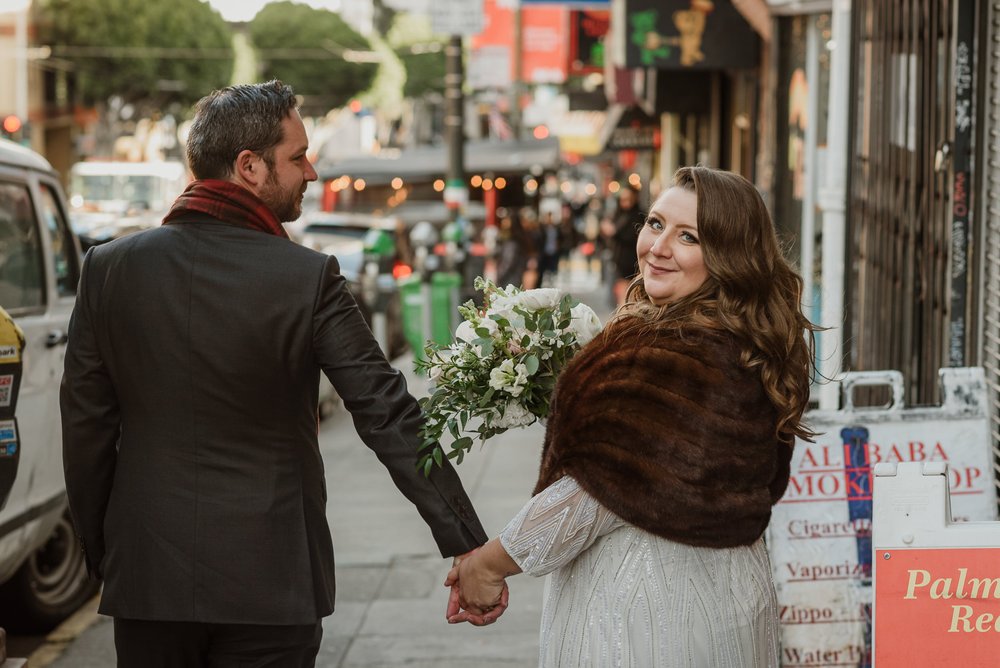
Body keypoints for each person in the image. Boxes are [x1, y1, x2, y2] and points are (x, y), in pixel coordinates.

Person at [60, 80, 503, 668]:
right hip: (271, 579)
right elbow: (386, 412)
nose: (312, 172)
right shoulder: (308, 276)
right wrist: (471, 545)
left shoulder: (109, 269)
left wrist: (106, 555)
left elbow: (85, 431)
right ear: (248, 166)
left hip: (149, 579)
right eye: (297, 157)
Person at [446, 166, 819, 666]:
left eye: (688, 236)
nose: (658, 247)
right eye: (655, 223)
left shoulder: (677, 354)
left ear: (729, 256)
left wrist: (488, 566)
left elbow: (591, 496)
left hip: (649, 609)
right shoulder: (741, 343)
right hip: (727, 595)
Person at [600, 185, 645, 306]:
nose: (625, 202)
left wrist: (613, 231)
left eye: (628, 198)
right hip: (618, 260)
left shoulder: (637, 215)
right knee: (619, 293)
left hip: (630, 261)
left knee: (627, 294)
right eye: (623, 199)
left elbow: (629, 235)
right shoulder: (619, 213)